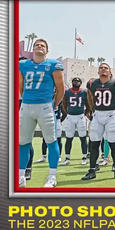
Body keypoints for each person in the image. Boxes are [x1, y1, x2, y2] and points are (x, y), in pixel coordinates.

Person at [19, 38, 65, 188]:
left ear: (47, 50)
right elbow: (21, 87)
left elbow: (61, 89)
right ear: (33, 49)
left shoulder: (53, 65)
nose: (39, 47)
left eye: (42, 45)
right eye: (37, 45)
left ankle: (52, 176)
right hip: (27, 106)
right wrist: (27, 99)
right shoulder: (23, 65)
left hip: (45, 106)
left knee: (51, 140)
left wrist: (54, 105)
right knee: (23, 142)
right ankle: (20, 176)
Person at [81, 63, 115, 181]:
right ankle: (92, 170)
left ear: (110, 72)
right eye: (101, 68)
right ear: (98, 72)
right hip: (98, 114)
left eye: (106, 68)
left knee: (113, 144)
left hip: (110, 114)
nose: (103, 69)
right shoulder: (92, 83)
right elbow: (90, 97)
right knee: (93, 143)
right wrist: (92, 111)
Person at [61, 77, 90, 166]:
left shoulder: (84, 92)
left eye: (78, 81)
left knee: (83, 137)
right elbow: (64, 104)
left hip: (80, 116)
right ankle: (67, 158)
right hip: (70, 116)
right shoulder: (67, 92)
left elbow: (88, 105)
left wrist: (84, 114)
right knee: (69, 138)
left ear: (81, 83)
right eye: (74, 80)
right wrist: (68, 113)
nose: (76, 82)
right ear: (72, 82)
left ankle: (84, 157)